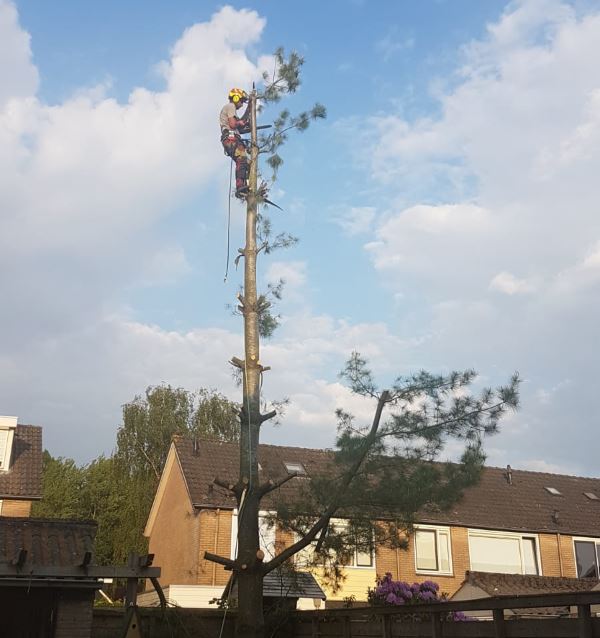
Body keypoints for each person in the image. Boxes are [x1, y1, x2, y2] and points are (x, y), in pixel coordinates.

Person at [220, 88, 251, 198]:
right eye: (241, 101)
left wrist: (249, 109)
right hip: (231, 138)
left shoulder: (232, 110)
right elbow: (233, 125)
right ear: (236, 97)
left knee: (246, 162)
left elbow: (239, 126)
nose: (242, 104)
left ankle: (245, 186)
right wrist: (240, 123)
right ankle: (240, 186)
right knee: (242, 160)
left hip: (233, 138)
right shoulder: (231, 106)